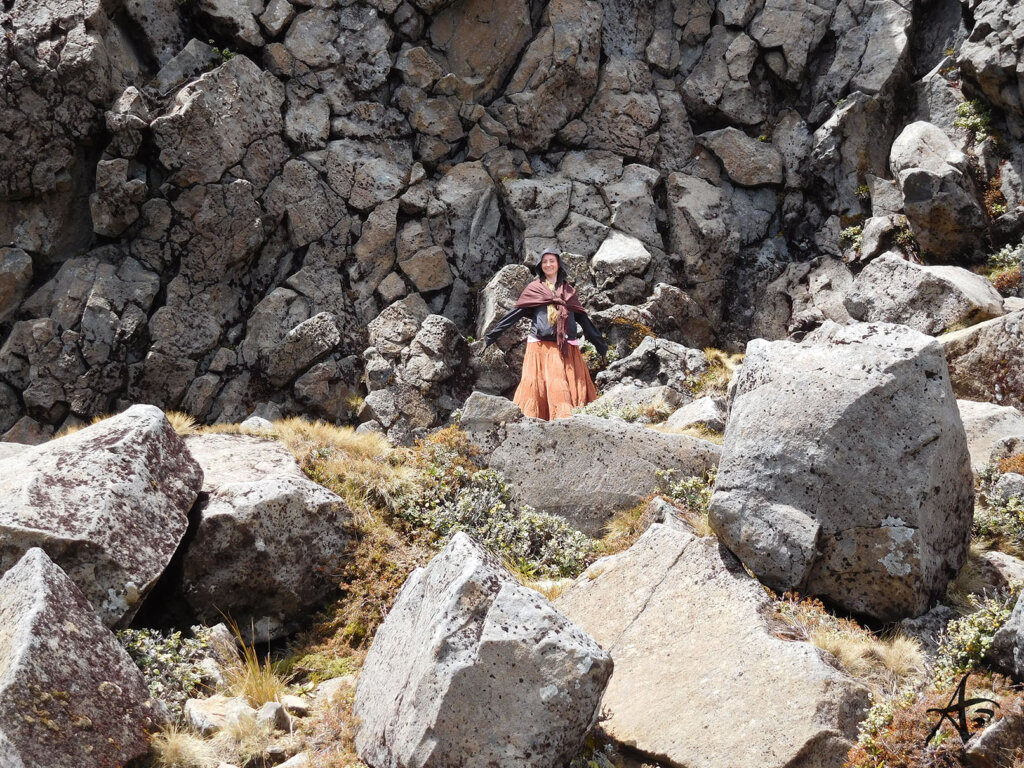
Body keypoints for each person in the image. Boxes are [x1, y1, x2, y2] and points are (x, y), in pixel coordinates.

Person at [484, 250, 608, 420]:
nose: (548, 264)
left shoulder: (568, 291)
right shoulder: (534, 289)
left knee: (568, 389)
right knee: (543, 389)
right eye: (544, 262)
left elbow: (584, 320)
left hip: (567, 348)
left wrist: (601, 346)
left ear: (558, 264)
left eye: (552, 261)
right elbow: (514, 314)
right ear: (540, 266)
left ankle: (571, 424)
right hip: (541, 348)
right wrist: (491, 336)